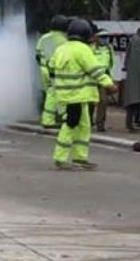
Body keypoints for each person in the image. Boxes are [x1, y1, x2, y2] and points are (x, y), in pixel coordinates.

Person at [50, 19, 117, 171]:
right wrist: (109, 84)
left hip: (66, 94)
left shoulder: (61, 49)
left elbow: (51, 68)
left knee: (84, 126)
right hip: (77, 94)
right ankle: (60, 157)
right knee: (71, 124)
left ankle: (80, 157)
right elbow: (95, 70)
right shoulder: (82, 50)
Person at [35, 16, 70, 128]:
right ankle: (50, 119)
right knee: (56, 94)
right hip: (56, 70)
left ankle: (60, 116)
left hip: (43, 69)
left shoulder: (43, 38)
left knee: (52, 93)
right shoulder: (63, 40)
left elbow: (38, 55)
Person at [90, 25, 115, 132]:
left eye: (106, 37)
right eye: (102, 37)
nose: (104, 39)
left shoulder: (109, 48)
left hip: (103, 77)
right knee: (90, 101)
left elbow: (111, 63)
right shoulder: (91, 48)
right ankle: (89, 121)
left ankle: (100, 124)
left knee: (103, 101)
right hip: (91, 78)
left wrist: (110, 78)